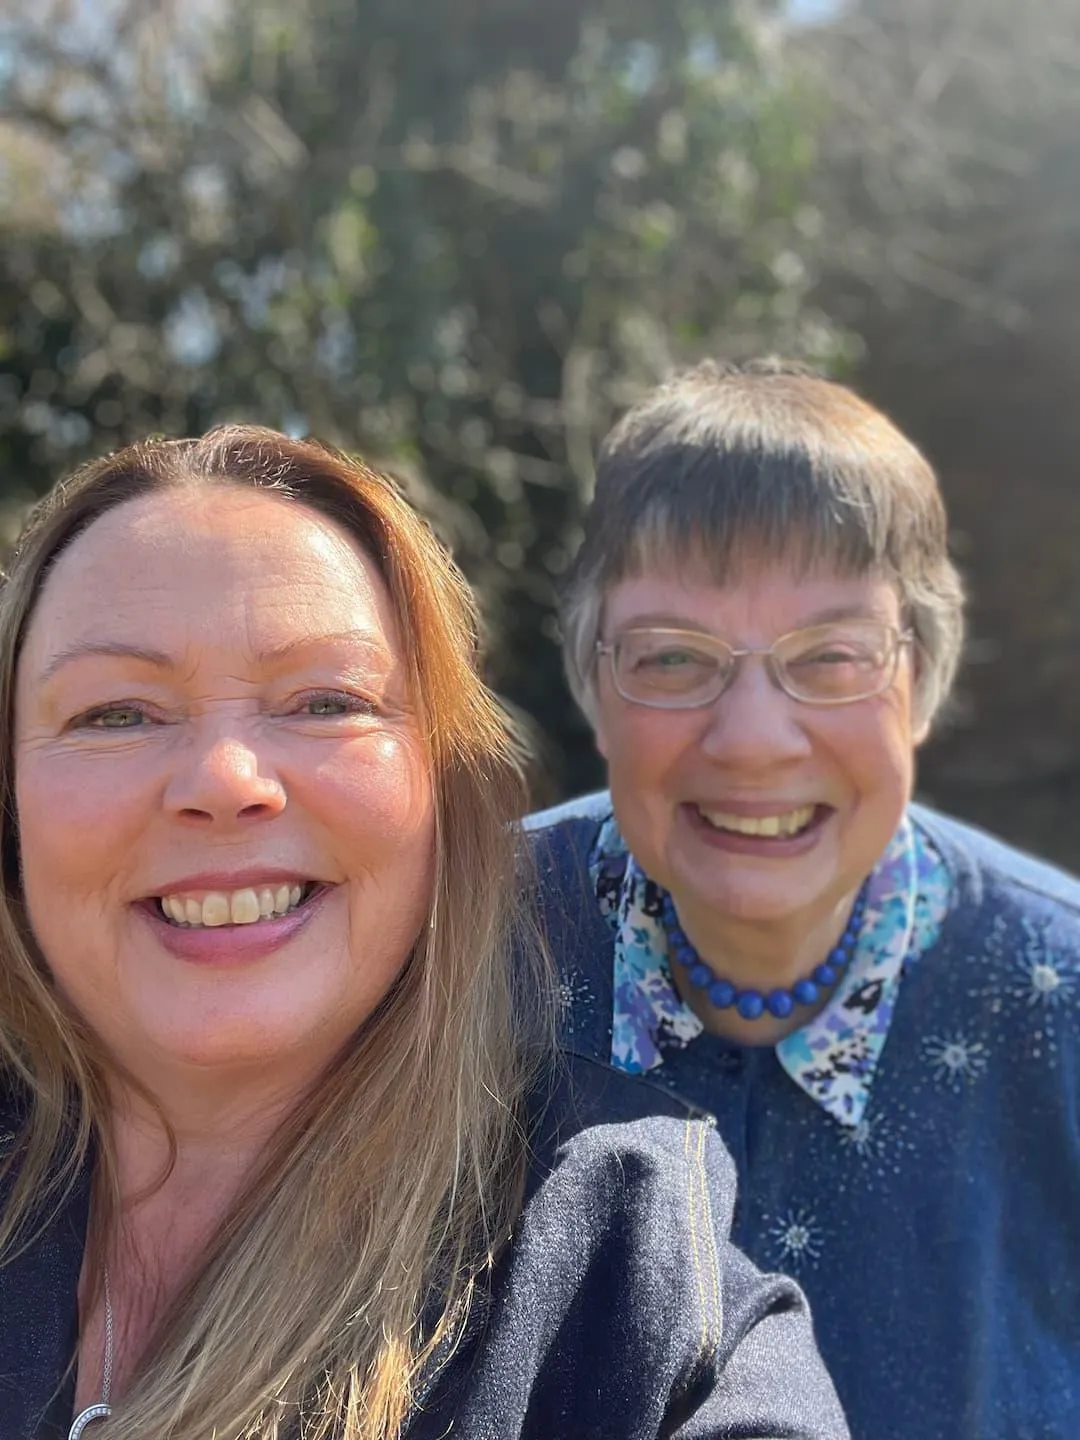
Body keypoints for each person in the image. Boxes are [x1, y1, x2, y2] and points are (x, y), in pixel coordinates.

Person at [0, 425, 847, 1440]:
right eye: (116, 715)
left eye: (326, 701)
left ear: (446, 804)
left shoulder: (645, 1294)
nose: (226, 782)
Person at [528, 359, 1080, 1440]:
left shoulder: (1059, 1008)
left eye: (831, 658)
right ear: (594, 686)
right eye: (674, 658)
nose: (753, 738)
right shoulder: (452, 958)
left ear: (920, 679)